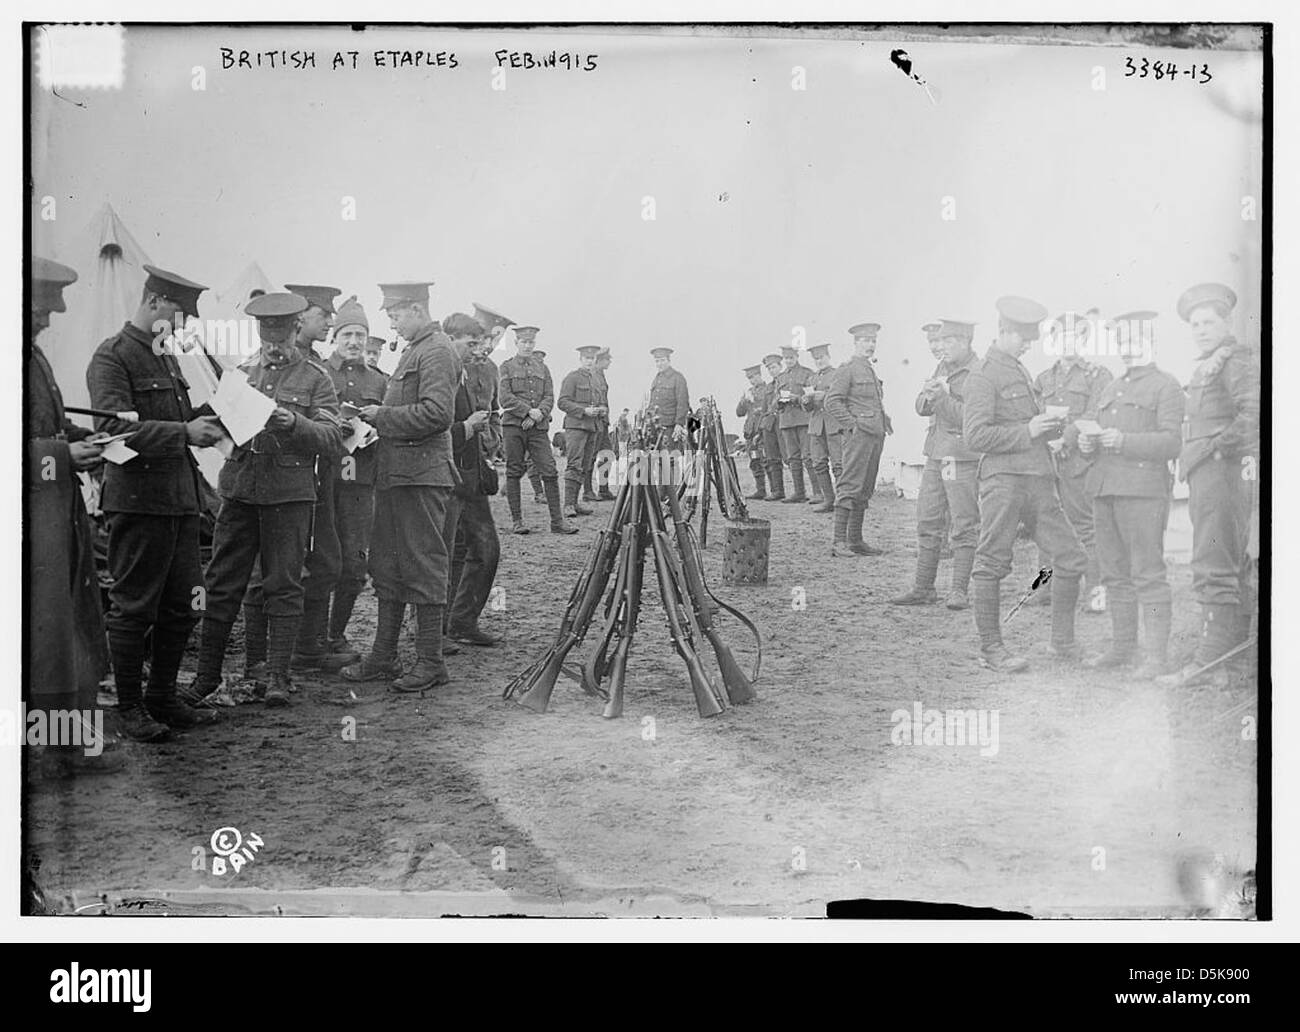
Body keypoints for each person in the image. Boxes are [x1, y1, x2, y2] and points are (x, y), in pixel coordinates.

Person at [87, 264, 223, 739]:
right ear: (153, 303)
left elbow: (176, 418)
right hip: (139, 502)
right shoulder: (114, 357)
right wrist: (185, 432)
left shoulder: (167, 357)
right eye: (179, 314)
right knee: (134, 606)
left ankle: (162, 698)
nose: (183, 327)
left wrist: (221, 409)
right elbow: (110, 431)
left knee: (184, 604)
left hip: (180, 502)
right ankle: (129, 708)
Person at [187, 293, 343, 706]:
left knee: (284, 585)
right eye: (266, 334)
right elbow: (214, 425)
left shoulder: (316, 378)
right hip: (239, 493)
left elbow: (332, 440)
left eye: (281, 334)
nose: (274, 343)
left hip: (289, 498)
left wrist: (293, 422)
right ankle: (206, 678)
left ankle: (277, 676)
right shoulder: (239, 374)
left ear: (295, 329)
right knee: (222, 585)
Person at [338, 281, 462, 690]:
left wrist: (381, 416)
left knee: (423, 563)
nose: (391, 325)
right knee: (388, 565)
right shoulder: (416, 349)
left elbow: (438, 414)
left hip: (422, 478)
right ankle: (383, 657)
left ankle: (431, 661)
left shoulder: (438, 350)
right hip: (396, 476)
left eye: (395, 316)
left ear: (415, 309)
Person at [27, 257, 119, 774]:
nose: (51, 315)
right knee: (43, 634)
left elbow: (50, 423)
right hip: (32, 523)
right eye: (44, 305)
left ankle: (67, 745)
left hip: (54, 516)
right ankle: (47, 752)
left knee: (65, 632)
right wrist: (63, 457)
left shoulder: (33, 357)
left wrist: (88, 441)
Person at [964, 296, 1088, 672]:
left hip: (1038, 481)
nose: (1028, 345)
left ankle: (1062, 643)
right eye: (1023, 338)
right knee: (991, 563)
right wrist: (1028, 430)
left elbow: (1022, 427)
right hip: (1003, 483)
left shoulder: (1017, 370)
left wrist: (1045, 433)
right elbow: (975, 436)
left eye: (1031, 340)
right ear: (1003, 331)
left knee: (1070, 557)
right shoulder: (983, 375)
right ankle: (992, 649)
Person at [1068, 311, 1183, 676]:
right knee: (1114, 573)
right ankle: (1122, 648)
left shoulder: (1167, 386)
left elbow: (1172, 442)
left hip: (1143, 493)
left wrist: (1125, 441)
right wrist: (1088, 444)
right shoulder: (1111, 386)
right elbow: (1098, 438)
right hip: (1105, 490)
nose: (1127, 350)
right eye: (1121, 343)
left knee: (1147, 573)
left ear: (1150, 342)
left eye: (1134, 342)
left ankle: (1155, 657)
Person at [1158, 283, 1260, 686]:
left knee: (1214, 562)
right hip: (1209, 473)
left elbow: (1254, 412)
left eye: (1208, 321)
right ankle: (1233, 661)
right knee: (1231, 562)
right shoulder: (1211, 362)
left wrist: (1217, 449)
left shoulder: (1235, 361)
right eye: (1195, 323)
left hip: (1221, 473)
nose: (1200, 329)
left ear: (1227, 322)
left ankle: (1208, 660)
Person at [892, 318, 981, 608]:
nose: (942, 347)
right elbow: (920, 406)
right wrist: (928, 398)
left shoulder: (979, 373)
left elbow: (973, 419)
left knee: (964, 524)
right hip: (935, 455)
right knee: (928, 521)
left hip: (961, 456)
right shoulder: (943, 368)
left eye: (949, 341)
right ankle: (923, 588)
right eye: (940, 341)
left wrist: (942, 398)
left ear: (966, 341)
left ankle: (959, 591)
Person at [322, 297, 390, 658]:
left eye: (360, 335)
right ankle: (312, 639)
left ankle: (335, 635)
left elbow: (390, 417)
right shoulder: (319, 373)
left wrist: (377, 428)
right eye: (347, 333)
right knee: (319, 563)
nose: (354, 341)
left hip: (360, 484)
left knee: (354, 564)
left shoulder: (379, 381)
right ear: (335, 337)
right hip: (322, 479)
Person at [1035, 310, 1113, 613]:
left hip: (1080, 463)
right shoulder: (1044, 378)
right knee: (1046, 526)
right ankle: (1044, 587)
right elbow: (1032, 415)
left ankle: (1096, 594)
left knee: (1086, 529)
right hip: (1047, 464)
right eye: (1061, 338)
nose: (1068, 344)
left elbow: (1097, 413)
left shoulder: (1098, 375)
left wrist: (1065, 436)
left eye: (1074, 337)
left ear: (1084, 339)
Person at [441, 313, 504, 647]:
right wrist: (468, 427)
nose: (485, 347)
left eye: (492, 340)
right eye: (480, 340)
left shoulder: (485, 369)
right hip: (452, 472)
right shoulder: (447, 366)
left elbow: (493, 411)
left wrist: (491, 444)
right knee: (471, 549)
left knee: (468, 549)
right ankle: (447, 626)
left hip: (473, 469)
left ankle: (456, 623)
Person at [825, 323, 892, 556]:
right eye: (865, 340)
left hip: (875, 434)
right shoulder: (848, 369)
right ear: (855, 343)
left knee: (865, 487)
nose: (870, 345)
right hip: (859, 435)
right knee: (850, 485)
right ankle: (838, 542)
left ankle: (855, 540)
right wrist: (852, 425)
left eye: (873, 341)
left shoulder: (869, 369)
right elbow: (832, 401)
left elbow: (871, 403)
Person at [500, 330, 575, 534]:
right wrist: (527, 412)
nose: (527, 345)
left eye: (531, 342)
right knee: (514, 471)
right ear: (516, 342)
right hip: (514, 427)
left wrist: (538, 413)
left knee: (550, 471)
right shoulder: (506, 366)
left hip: (538, 428)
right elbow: (504, 398)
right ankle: (518, 522)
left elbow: (549, 396)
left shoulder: (542, 367)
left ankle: (557, 522)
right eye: (524, 342)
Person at [558, 345, 608, 517]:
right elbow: (562, 402)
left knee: (585, 466)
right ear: (580, 359)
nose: (589, 361)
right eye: (586, 358)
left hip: (592, 427)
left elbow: (601, 401)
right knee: (574, 464)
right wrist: (583, 410)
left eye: (592, 359)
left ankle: (575, 502)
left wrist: (602, 409)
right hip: (576, 427)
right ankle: (568, 505)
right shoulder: (572, 378)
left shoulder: (595, 380)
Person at [802, 343, 842, 513]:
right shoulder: (812, 379)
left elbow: (842, 398)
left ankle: (842, 501)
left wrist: (825, 396)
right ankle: (828, 500)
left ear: (828, 356)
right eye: (816, 358)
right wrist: (806, 402)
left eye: (821, 357)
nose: (819, 361)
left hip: (834, 424)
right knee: (818, 463)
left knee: (839, 464)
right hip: (816, 425)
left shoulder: (837, 375)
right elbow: (808, 409)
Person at [774, 344, 816, 502]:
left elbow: (811, 396)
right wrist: (778, 401)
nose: (789, 360)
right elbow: (774, 402)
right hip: (786, 421)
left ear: (797, 357)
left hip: (803, 420)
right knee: (793, 458)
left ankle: (818, 493)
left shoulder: (807, 373)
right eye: (786, 358)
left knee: (808, 456)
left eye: (791, 357)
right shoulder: (780, 378)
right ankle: (799, 493)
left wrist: (796, 398)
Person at [736, 363, 770, 499]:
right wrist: (743, 401)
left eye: (754, 377)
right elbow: (739, 413)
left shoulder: (767, 390)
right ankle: (760, 490)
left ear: (760, 375)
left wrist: (760, 432)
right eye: (749, 378)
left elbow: (765, 411)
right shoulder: (749, 392)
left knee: (767, 461)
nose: (752, 380)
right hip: (750, 432)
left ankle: (775, 491)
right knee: (755, 461)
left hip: (762, 431)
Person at [648, 346, 691, 448]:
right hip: (656, 427)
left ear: (669, 360)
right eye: (657, 361)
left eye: (662, 360)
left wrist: (679, 424)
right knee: (656, 459)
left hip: (670, 427)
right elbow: (652, 403)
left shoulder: (678, 378)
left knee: (669, 459)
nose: (659, 364)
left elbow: (683, 403)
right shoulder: (657, 379)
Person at [589, 347, 616, 501]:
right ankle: (587, 491)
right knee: (591, 456)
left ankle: (603, 489)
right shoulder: (592, 375)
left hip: (603, 423)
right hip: (594, 422)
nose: (609, 362)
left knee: (607, 455)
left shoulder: (601, 375)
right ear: (599, 361)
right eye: (607, 359)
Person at [758, 353, 786, 499]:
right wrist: (760, 428)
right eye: (769, 368)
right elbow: (763, 410)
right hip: (770, 425)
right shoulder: (768, 387)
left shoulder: (787, 381)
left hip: (785, 422)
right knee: (772, 458)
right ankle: (777, 491)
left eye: (774, 367)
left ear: (781, 366)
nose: (771, 371)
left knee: (791, 457)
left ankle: (801, 492)